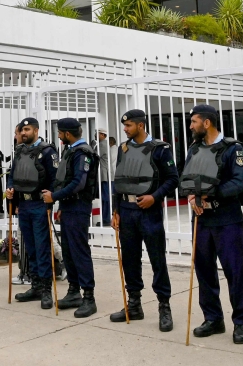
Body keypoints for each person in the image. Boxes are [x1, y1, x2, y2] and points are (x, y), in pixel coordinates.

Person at [182, 104, 243, 343]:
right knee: (204, 271)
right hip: (201, 219)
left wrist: (211, 194)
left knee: (236, 271)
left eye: (194, 122)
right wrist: (192, 194)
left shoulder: (233, 149)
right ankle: (213, 318)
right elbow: (188, 177)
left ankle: (241, 322)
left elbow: (240, 182)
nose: (191, 126)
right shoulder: (194, 149)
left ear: (207, 123)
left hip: (226, 219)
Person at [108, 109, 178, 331]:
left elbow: (173, 179)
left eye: (128, 126)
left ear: (140, 125)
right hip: (126, 210)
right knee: (130, 259)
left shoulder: (160, 149)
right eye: (124, 126)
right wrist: (116, 210)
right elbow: (119, 180)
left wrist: (154, 197)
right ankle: (134, 304)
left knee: (157, 260)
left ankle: (164, 307)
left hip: (149, 210)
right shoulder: (123, 148)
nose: (125, 130)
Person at [44, 117, 97, 318]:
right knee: (68, 251)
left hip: (78, 208)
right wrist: (61, 205)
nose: (58, 135)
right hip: (68, 208)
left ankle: (89, 297)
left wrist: (54, 197)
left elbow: (78, 183)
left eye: (60, 132)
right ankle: (74, 291)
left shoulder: (82, 152)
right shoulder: (70, 150)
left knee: (79, 251)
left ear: (67, 134)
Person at [6, 117, 58, 309]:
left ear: (36, 130)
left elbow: (54, 180)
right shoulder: (19, 151)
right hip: (24, 206)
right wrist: (11, 189)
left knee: (42, 247)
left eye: (27, 129)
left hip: (38, 205)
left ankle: (46, 291)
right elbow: (12, 175)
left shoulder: (47, 151)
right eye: (21, 130)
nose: (23, 133)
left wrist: (51, 200)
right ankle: (35, 287)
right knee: (30, 247)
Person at [95, 129, 116, 224]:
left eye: (98, 134)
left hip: (105, 175)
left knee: (105, 197)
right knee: (106, 196)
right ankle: (106, 217)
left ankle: (106, 218)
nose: (95, 135)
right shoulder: (106, 144)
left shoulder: (102, 145)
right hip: (108, 175)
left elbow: (94, 157)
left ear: (103, 135)